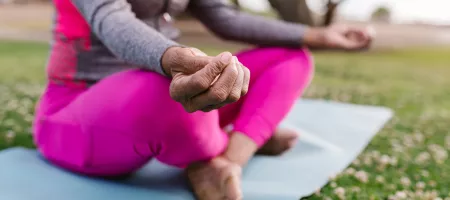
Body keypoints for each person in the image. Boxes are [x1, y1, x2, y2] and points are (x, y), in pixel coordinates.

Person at [32, 0, 372, 199]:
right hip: (77, 112)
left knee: (290, 58)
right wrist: (177, 58)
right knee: (161, 90)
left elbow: (224, 17)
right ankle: (232, 137)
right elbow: (111, 19)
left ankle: (225, 161)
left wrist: (316, 35)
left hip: (170, 86)